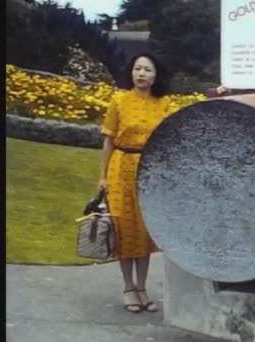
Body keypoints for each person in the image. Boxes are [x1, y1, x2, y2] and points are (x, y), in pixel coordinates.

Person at [99, 52, 171, 313]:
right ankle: (128, 286)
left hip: (148, 170)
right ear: (131, 72)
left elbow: (166, 141)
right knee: (123, 227)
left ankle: (142, 287)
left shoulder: (163, 103)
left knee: (143, 230)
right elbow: (108, 140)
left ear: (155, 75)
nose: (141, 74)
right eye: (137, 69)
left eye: (147, 69)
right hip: (121, 166)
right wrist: (103, 177)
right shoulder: (119, 100)